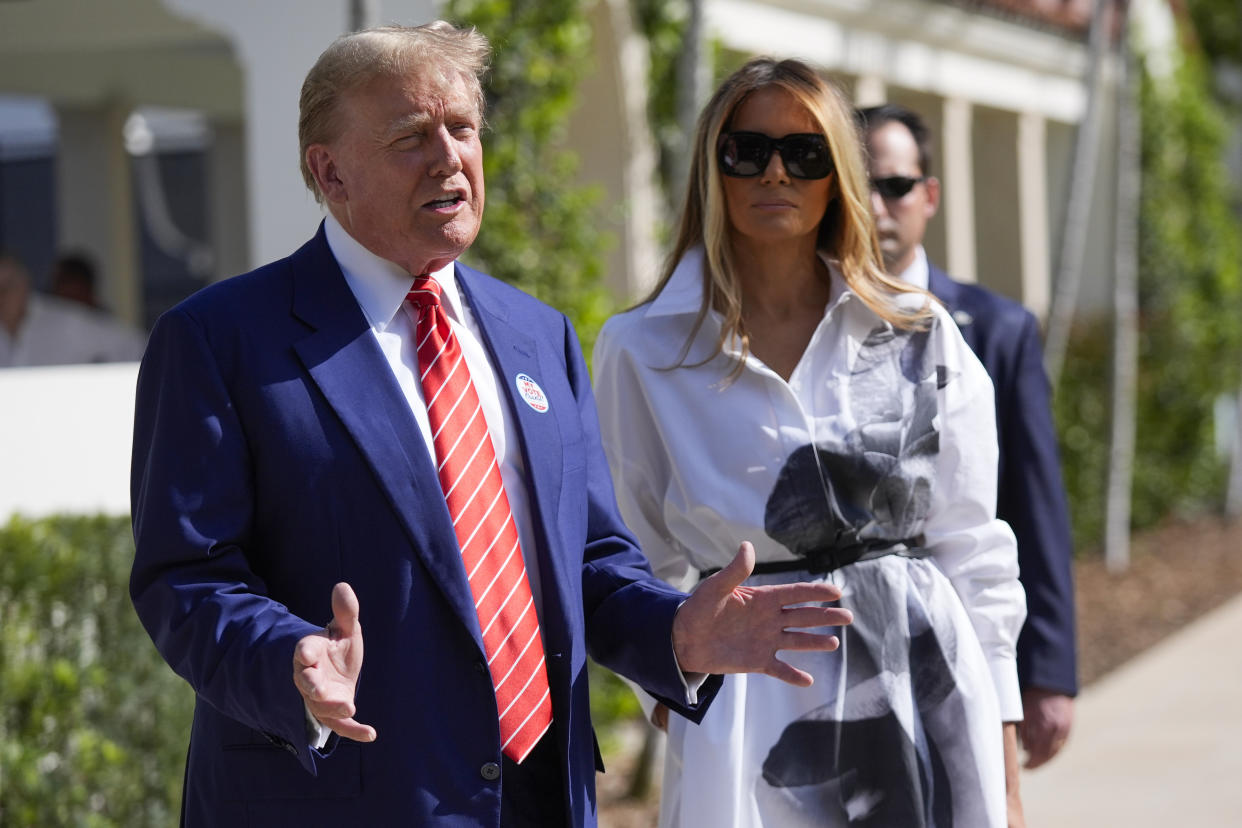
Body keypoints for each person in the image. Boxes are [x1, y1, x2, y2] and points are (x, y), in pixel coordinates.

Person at [128, 22, 853, 828]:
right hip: (341, 796)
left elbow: (588, 559)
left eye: (463, 129)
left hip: (539, 796)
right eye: (411, 136)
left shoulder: (537, 333)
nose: (449, 157)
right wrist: (287, 661)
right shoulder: (222, 339)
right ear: (328, 172)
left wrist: (675, 631)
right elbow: (184, 576)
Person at [593, 58, 1027, 827]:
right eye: (747, 149)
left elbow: (974, 548)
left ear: (838, 175)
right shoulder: (642, 347)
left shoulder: (917, 330)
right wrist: (671, 691)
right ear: (711, 165)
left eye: (805, 153)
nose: (775, 173)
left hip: (926, 687)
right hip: (748, 699)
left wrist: (1001, 760)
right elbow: (629, 548)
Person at [856, 103, 1077, 769]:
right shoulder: (799, 329)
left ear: (929, 195)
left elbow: (1032, 506)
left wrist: (1048, 671)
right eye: (856, 182)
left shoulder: (996, 328)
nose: (875, 204)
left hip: (968, 641)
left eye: (893, 185)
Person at [0, 251, 146, 367]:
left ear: (24, 286)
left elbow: (134, 345)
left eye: (7, 287)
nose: (2, 296)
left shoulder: (64, 322)